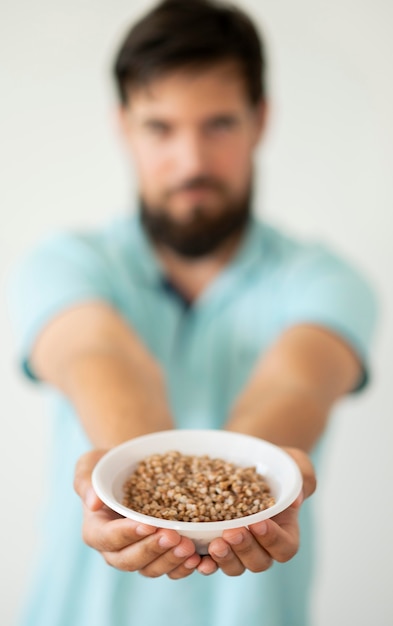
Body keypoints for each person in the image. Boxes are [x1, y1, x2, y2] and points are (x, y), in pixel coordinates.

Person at [9, 1, 378, 625]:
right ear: (124, 126)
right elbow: (99, 353)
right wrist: (136, 477)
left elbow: (296, 381)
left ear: (261, 121)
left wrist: (263, 478)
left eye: (219, 124)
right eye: (160, 127)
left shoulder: (327, 280)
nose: (192, 162)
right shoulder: (65, 262)